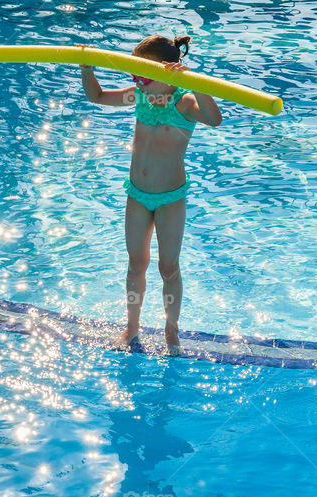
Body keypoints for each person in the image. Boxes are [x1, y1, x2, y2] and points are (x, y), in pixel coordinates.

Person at [80, 35, 222, 355]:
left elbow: (214, 119)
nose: (137, 83)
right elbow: (98, 96)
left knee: (168, 268)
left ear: (167, 71)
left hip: (170, 197)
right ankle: (132, 327)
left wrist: (193, 80)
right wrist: (87, 69)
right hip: (137, 195)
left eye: (142, 76)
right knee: (136, 264)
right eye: (133, 75)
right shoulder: (141, 97)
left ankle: (171, 332)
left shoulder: (184, 102)